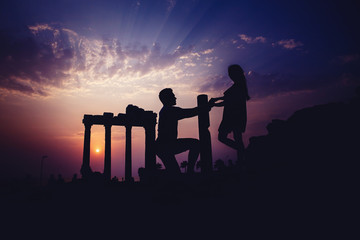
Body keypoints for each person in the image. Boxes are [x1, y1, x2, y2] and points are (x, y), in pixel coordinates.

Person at [156, 88, 212, 174]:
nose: (175, 98)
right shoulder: (169, 111)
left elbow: (191, 112)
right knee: (195, 144)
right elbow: (191, 112)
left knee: (175, 173)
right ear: (167, 98)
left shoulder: (166, 110)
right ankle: (190, 171)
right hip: (166, 146)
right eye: (173, 96)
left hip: (163, 146)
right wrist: (207, 106)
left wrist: (205, 107)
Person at [211, 64, 250, 166]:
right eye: (229, 73)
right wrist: (216, 100)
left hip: (233, 116)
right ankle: (242, 160)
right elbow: (227, 99)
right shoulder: (239, 86)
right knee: (238, 138)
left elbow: (228, 101)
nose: (230, 75)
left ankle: (243, 153)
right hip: (235, 115)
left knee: (223, 137)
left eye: (231, 73)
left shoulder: (238, 87)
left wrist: (215, 104)